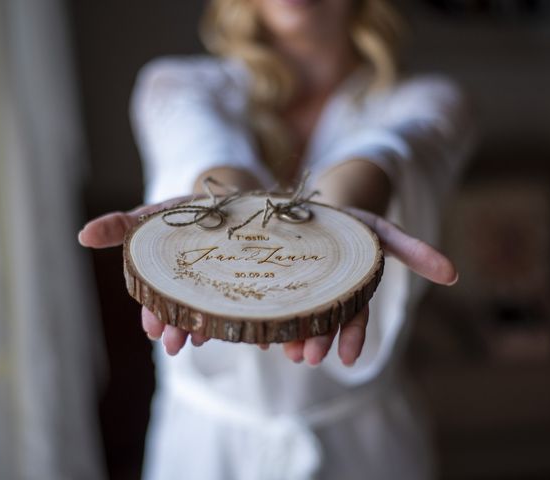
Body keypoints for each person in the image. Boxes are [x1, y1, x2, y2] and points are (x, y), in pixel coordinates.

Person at [79, 0, 475, 478]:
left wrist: (337, 219)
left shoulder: (432, 98)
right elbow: (202, 144)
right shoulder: (176, 84)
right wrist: (222, 201)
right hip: (207, 450)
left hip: (364, 448)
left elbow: (387, 151)